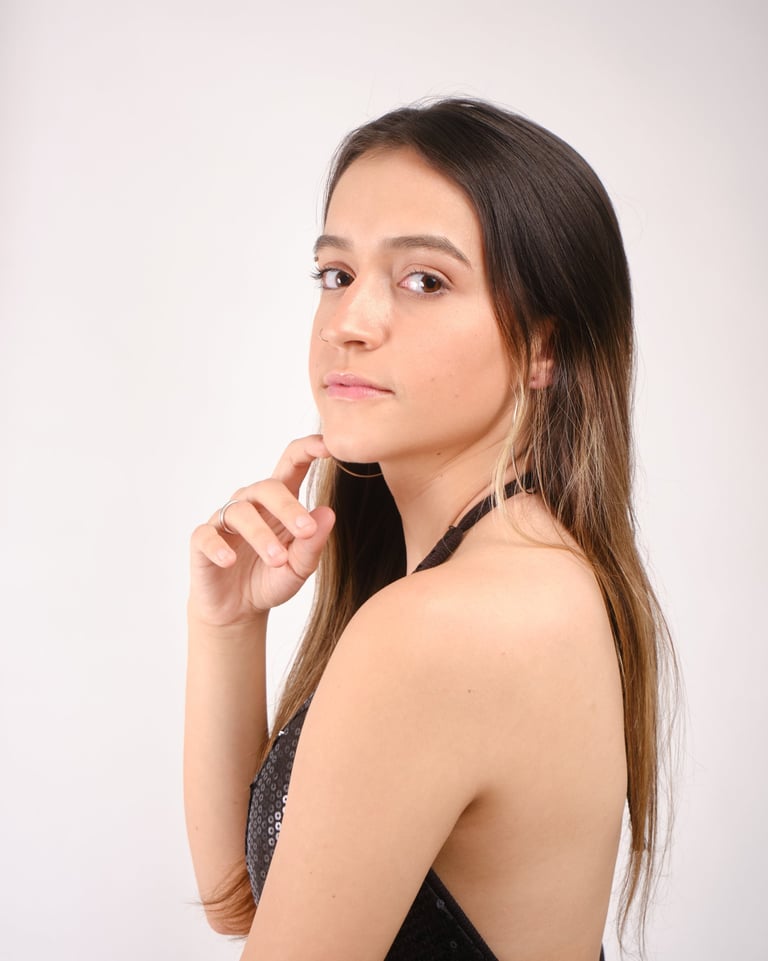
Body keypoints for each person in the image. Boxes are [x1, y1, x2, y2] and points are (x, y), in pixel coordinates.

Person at [183, 98, 675, 961]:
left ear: (543, 347)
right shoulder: (545, 572)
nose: (349, 322)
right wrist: (228, 624)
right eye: (336, 274)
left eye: (424, 281)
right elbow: (245, 901)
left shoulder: (438, 629)